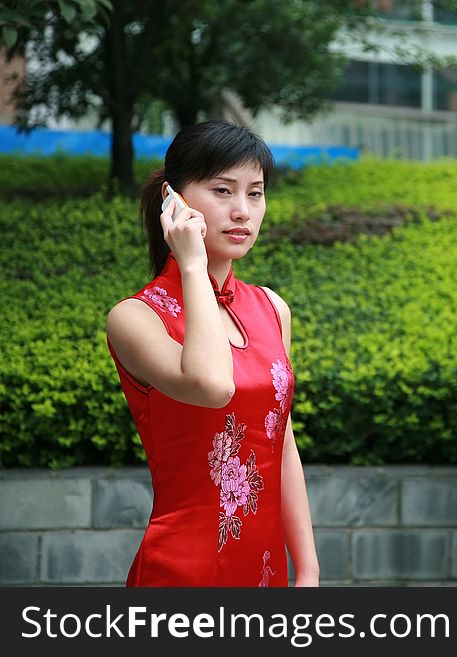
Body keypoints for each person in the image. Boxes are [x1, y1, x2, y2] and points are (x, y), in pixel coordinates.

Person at [106, 120, 319, 586]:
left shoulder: (271, 308)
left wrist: (307, 569)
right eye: (223, 190)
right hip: (183, 571)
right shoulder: (136, 317)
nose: (242, 211)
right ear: (172, 200)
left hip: (264, 570)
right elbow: (212, 386)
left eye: (256, 193)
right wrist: (193, 264)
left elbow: (281, 443)